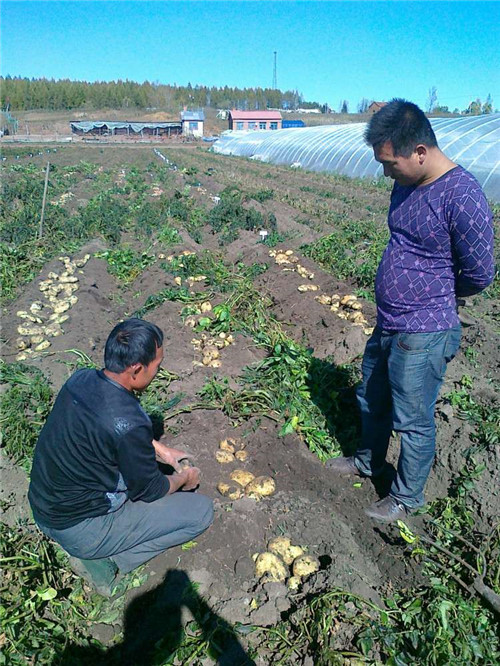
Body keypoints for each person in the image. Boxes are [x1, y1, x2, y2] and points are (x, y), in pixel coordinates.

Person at [327, 99, 495, 523]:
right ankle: (368, 461)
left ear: (420, 151)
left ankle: (406, 497)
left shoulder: (463, 194)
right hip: (390, 321)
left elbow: (480, 273)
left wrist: (433, 296)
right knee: (371, 395)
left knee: (413, 418)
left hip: (424, 330)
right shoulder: (406, 182)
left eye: (390, 163)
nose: (385, 172)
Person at [28, 318, 214, 595]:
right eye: (157, 366)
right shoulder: (130, 422)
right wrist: (184, 477)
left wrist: (159, 448)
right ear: (137, 370)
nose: (158, 372)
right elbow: (151, 490)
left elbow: (106, 426)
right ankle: (108, 563)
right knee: (200, 512)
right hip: (82, 527)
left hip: (44, 507)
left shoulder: (79, 380)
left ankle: (93, 547)